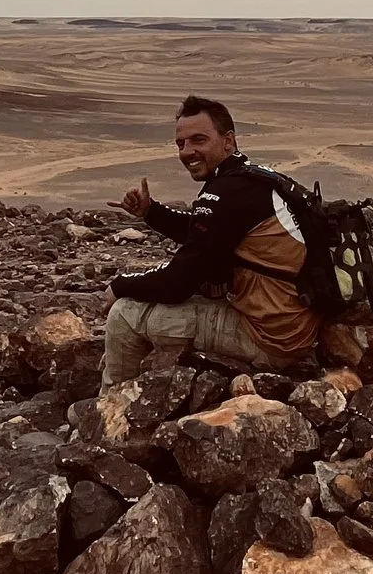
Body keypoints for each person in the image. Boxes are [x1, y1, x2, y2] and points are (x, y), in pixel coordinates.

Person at [101, 95, 317, 383]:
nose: (187, 152)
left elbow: (177, 282)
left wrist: (121, 285)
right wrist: (150, 212)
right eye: (181, 144)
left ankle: (111, 409)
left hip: (271, 340)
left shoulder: (226, 193)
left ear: (228, 141)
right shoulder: (254, 181)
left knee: (125, 314)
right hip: (296, 323)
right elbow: (206, 233)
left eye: (199, 140)